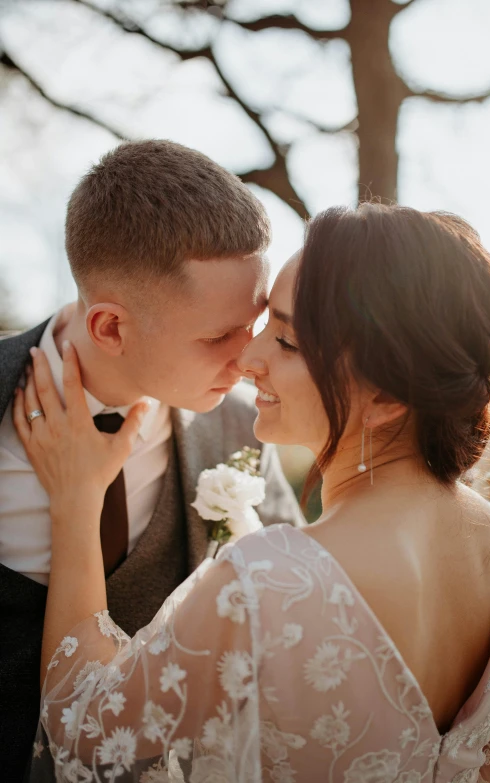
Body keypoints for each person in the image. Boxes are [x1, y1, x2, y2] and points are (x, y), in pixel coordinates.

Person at [18, 203, 490, 782]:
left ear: (387, 397)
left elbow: (84, 732)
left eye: (285, 341)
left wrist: (78, 503)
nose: (247, 359)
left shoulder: (268, 579)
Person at [0, 140, 302, 781]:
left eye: (252, 327)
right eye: (218, 336)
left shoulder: (242, 431)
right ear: (110, 327)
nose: (247, 361)